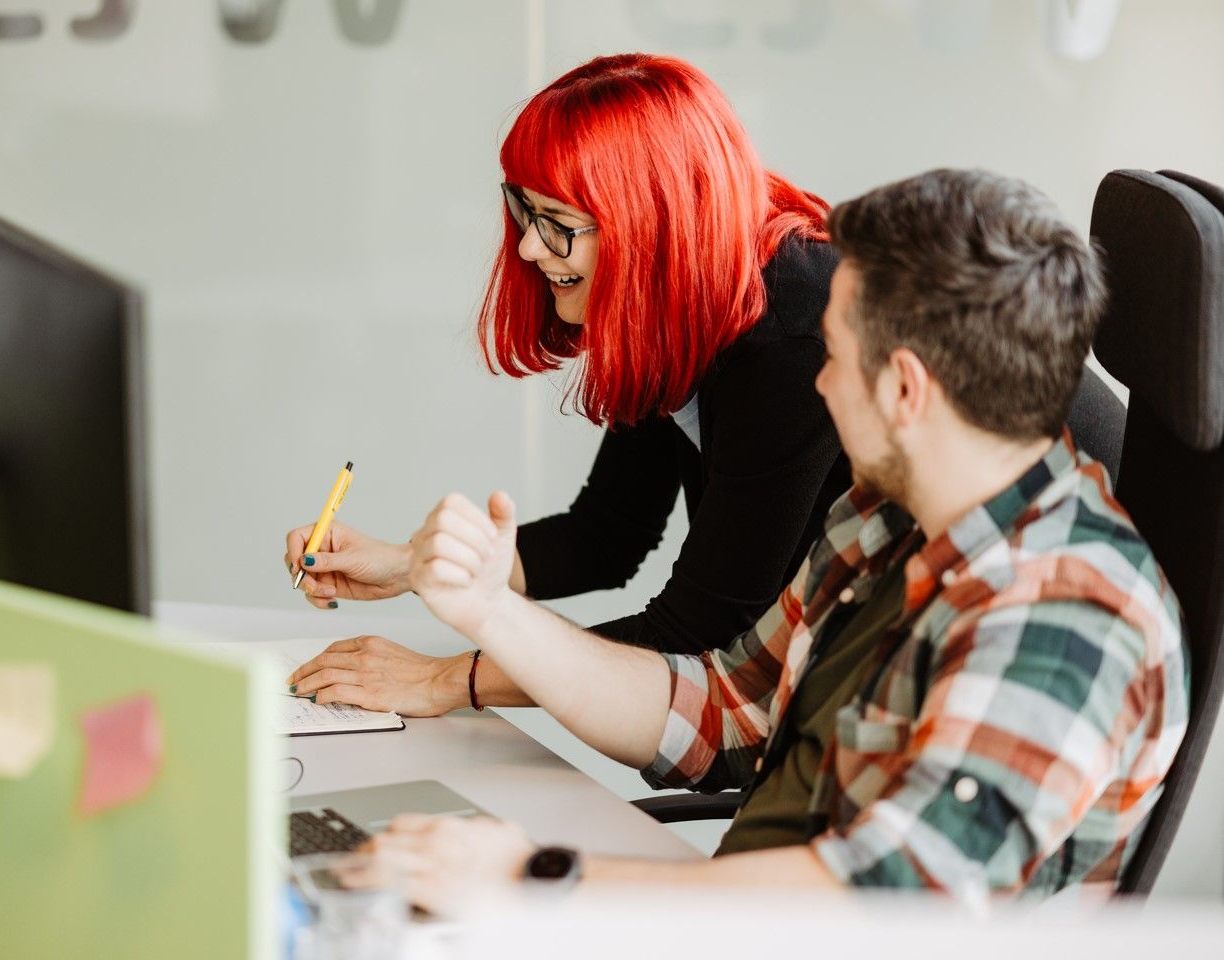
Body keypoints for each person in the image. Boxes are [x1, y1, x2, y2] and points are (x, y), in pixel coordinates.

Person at [360, 169, 1188, 912]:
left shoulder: (1065, 615)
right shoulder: (888, 519)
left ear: (904, 388)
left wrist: (539, 878)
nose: (818, 380)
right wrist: (488, 613)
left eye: (834, 354)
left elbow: (886, 902)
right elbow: (723, 708)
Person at [285, 53, 851, 715]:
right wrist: (410, 565)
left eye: (559, 223)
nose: (528, 248)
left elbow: (699, 632)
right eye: (526, 213)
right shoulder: (677, 299)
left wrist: (446, 681)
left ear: (654, 221)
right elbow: (606, 535)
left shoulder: (793, 333)